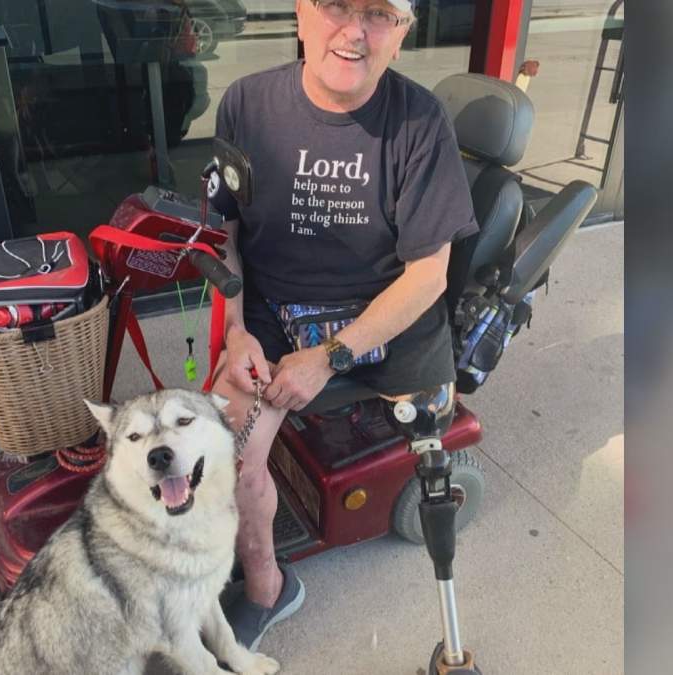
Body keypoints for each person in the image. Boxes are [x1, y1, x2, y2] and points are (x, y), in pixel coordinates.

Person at [210, 0, 478, 650]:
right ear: (300, 12)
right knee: (224, 457)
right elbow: (225, 234)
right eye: (334, 4)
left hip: (384, 316)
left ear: (403, 32)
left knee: (432, 434)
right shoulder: (245, 105)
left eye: (379, 12)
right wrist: (237, 329)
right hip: (273, 313)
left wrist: (327, 356)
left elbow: (427, 277)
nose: (353, 30)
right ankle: (269, 586)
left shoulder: (419, 122)